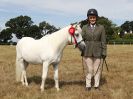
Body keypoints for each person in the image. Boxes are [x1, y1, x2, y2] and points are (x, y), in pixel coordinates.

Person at [81, 8, 107, 91]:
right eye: (90, 17)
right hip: (87, 51)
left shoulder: (101, 28)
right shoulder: (84, 27)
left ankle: (96, 86)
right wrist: (81, 49)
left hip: (98, 51)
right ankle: (88, 85)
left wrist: (104, 52)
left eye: (94, 17)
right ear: (88, 18)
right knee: (89, 69)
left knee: (97, 69)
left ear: (96, 18)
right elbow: (81, 39)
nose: (92, 19)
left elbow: (103, 41)